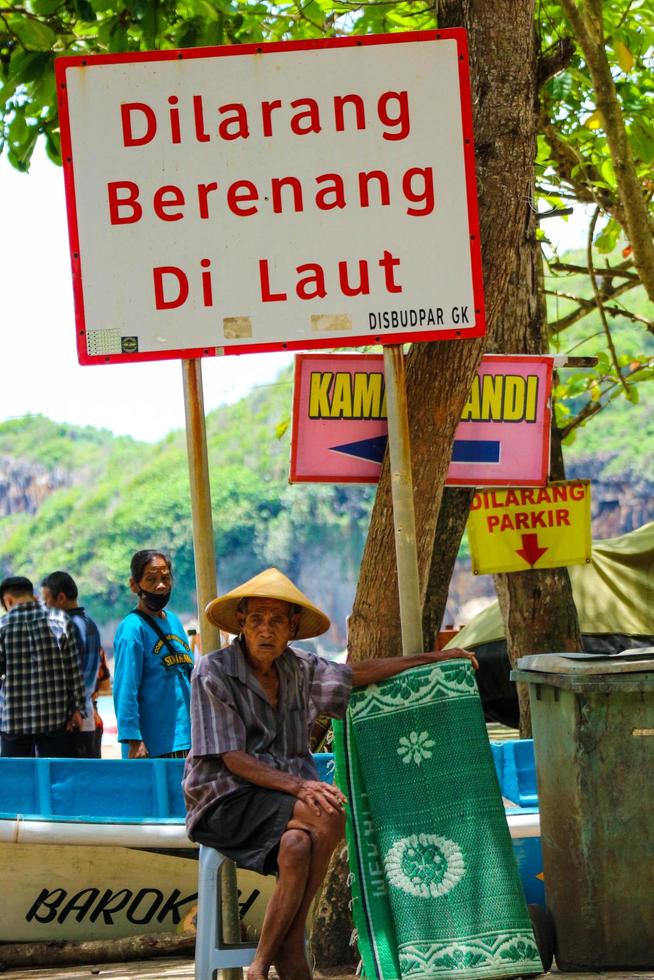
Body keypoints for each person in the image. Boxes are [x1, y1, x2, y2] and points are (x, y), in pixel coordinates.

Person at [183, 567, 478, 980]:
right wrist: (300, 785)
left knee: (297, 847)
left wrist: (433, 658)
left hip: (280, 805)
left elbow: (355, 674)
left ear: (291, 629)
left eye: (276, 621)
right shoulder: (213, 671)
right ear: (241, 627)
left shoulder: (297, 667)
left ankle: (272, 956)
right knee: (329, 813)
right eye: (256, 620)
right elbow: (233, 759)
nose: (265, 630)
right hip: (224, 800)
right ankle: (278, 951)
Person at [113, 550, 193, 759]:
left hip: (187, 739)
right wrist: (134, 740)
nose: (160, 585)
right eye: (151, 579)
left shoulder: (173, 622)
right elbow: (125, 689)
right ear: (134, 585)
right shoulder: (132, 630)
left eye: (165, 578)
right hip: (153, 745)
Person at [0, 576, 86, 758]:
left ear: (8, 600)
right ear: (31, 594)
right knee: (55, 780)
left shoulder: (3, 625)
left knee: (18, 781)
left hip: (14, 723)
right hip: (55, 719)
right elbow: (73, 670)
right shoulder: (60, 619)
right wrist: (78, 709)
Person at [42, 570, 104, 758]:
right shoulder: (89, 623)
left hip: (71, 719)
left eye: (47, 601)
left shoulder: (67, 626)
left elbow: (70, 674)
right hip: (87, 715)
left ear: (61, 598)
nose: (45, 607)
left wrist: (71, 710)